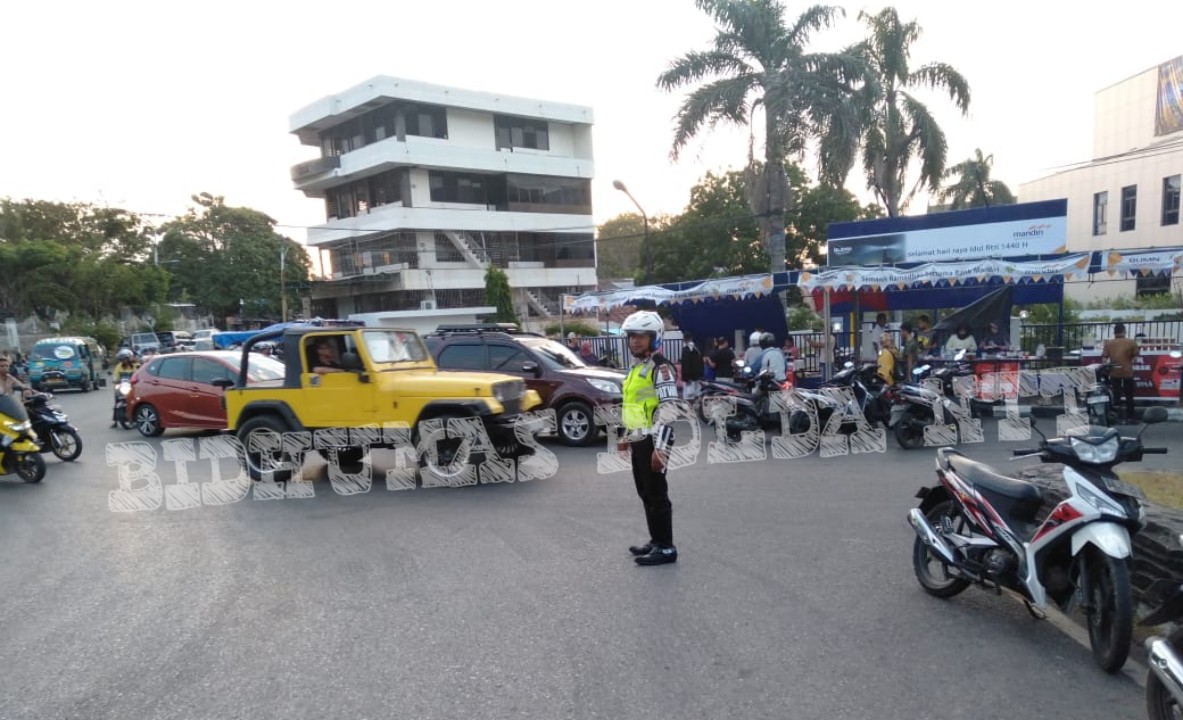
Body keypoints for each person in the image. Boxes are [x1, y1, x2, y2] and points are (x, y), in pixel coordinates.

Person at [616, 310, 679, 566]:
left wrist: (661, 448)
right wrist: (625, 435)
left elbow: (669, 408)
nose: (635, 341)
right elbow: (633, 405)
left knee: (656, 494)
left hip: (655, 440)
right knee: (645, 492)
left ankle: (666, 547)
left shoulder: (660, 368)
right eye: (631, 337)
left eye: (641, 336)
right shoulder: (637, 367)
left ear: (655, 337)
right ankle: (656, 540)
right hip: (639, 439)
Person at [1102, 322, 1140, 423]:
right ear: (1124, 331)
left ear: (1114, 332)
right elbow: (1135, 358)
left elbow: (1104, 359)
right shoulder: (1132, 342)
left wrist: (1107, 367)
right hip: (1127, 372)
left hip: (1114, 372)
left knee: (1115, 396)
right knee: (1129, 396)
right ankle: (1130, 418)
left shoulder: (1108, 343)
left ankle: (1116, 417)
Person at [108, 349, 139, 427]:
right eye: (122, 359)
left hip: (133, 386)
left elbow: (140, 373)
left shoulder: (136, 365)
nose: (123, 361)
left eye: (125, 359)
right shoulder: (119, 366)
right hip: (123, 386)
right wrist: (115, 380)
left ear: (129, 358)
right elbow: (115, 375)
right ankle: (115, 421)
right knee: (117, 400)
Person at [679, 334, 704, 401]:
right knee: (697, 395)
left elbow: (685, 364)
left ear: (684, 339)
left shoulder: (685, 349)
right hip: (697, 377)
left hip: (689, 378)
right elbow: (701, 362)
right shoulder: (697, 348)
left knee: (688, 397)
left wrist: (686, 378)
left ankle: (690, 411)